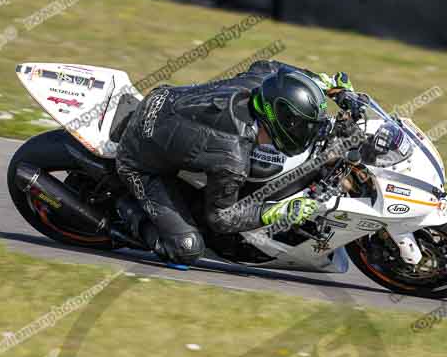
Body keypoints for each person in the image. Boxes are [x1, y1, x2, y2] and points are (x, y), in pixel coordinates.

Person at [115, 60, 354, 266]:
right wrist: (277, 212)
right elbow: (221, 218)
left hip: (163, 98)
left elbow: (270, 66)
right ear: (282, 121)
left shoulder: (261, 84)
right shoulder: (232, 157)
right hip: (136, 160)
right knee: (187, 249)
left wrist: (323, 82)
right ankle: (124, 207)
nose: (309, 132)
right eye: (302, 125)